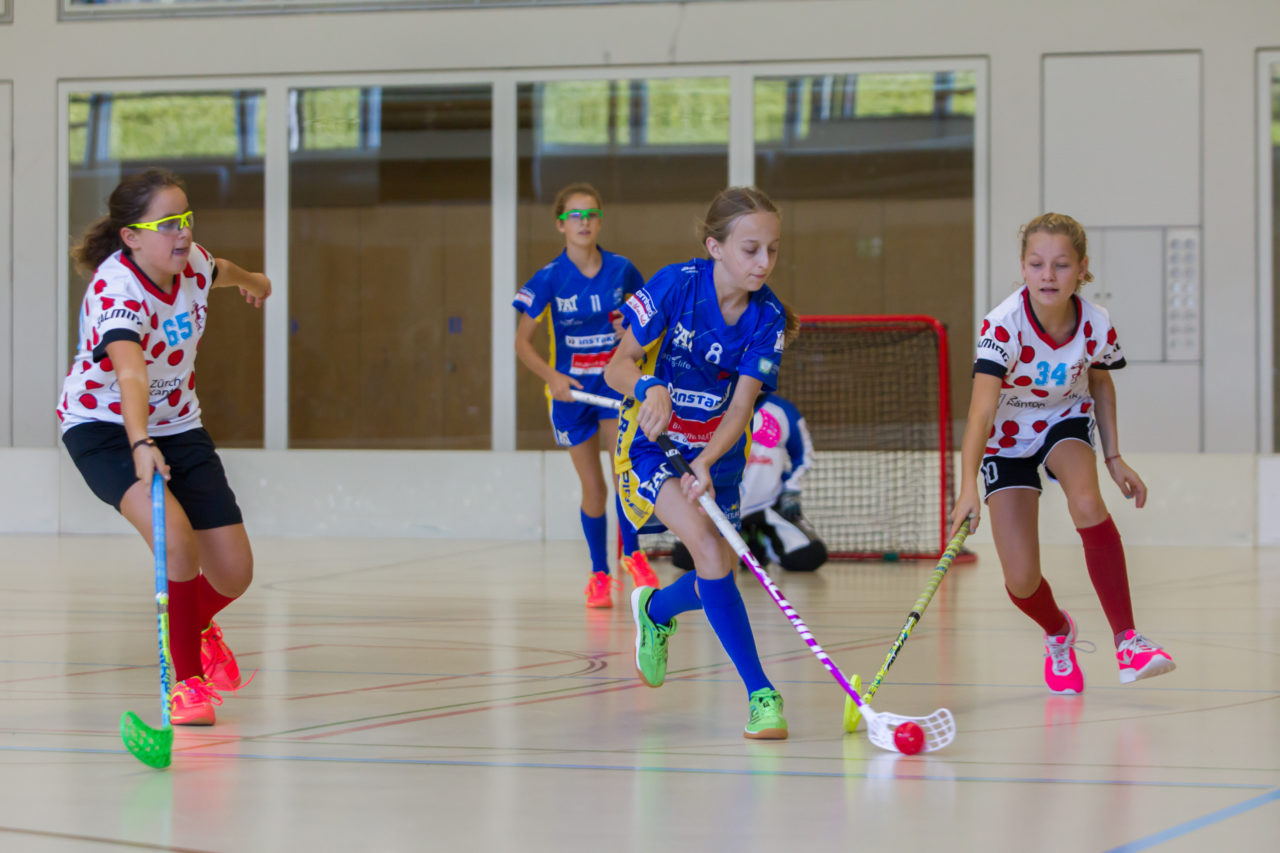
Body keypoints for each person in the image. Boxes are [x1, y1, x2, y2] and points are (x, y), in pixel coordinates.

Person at [58, 168, 271, 726]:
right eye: (167, 223)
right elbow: (129, 372)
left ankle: (193, 622)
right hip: (105, 429)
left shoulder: (192, 262)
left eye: (186, 219)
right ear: (131, 236)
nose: (182, 233)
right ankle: (189, 686)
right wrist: (140, 440)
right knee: (177, 545)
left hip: (178, 423)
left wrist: (256, 282)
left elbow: (221, 270)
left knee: (234, 572)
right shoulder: (115, 290)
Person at [949, 212, 1175, 695]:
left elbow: (1100, 381)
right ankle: (1058, 631)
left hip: (1062, 420)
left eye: (1060, 265)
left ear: (1082, 269)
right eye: (1036, 264)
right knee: (1022, 580)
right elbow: (980, 414)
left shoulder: (1095, 323)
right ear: (1023, 268)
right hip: (1005, 439)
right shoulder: (1003, 326)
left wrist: (1114, 459)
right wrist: (967, 485)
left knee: (1088, 503)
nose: (1048, 275)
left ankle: (1128, 641)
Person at [605, 186, 799, 739]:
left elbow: (741, 406)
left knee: (719, 571)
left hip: (717, 457)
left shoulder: (768, 318)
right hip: (653, 445)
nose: (764, 262)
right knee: (709, 551)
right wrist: (648, 386)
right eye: (750, 249)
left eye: (773, 250)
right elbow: (617, 367)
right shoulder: (676, 284)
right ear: (716, 247)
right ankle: (762, 693)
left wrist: (710, 460)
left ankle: (657, 612)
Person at [513, 182, 658, 608]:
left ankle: (633, 557)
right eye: (574, 215)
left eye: (591, 214)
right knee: (594, 489)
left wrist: (632, 336)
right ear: (560, 224)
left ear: (600, 221)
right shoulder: (548, 278)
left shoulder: (623, 270)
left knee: (623, 477)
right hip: (573, 395)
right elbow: (522, 343)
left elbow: (648, 328)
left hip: (614, 387)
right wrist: (552, 377)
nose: (584, 222)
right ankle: (599, 574)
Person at [671, 391, 827, 573]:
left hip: (767, 506)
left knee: (809, 556)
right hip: (720, 505)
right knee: (684, 557)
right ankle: (744, 541)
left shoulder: (783, 411)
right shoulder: (714, 405)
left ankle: (761, 541)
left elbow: (804, 456)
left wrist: (792, 489)